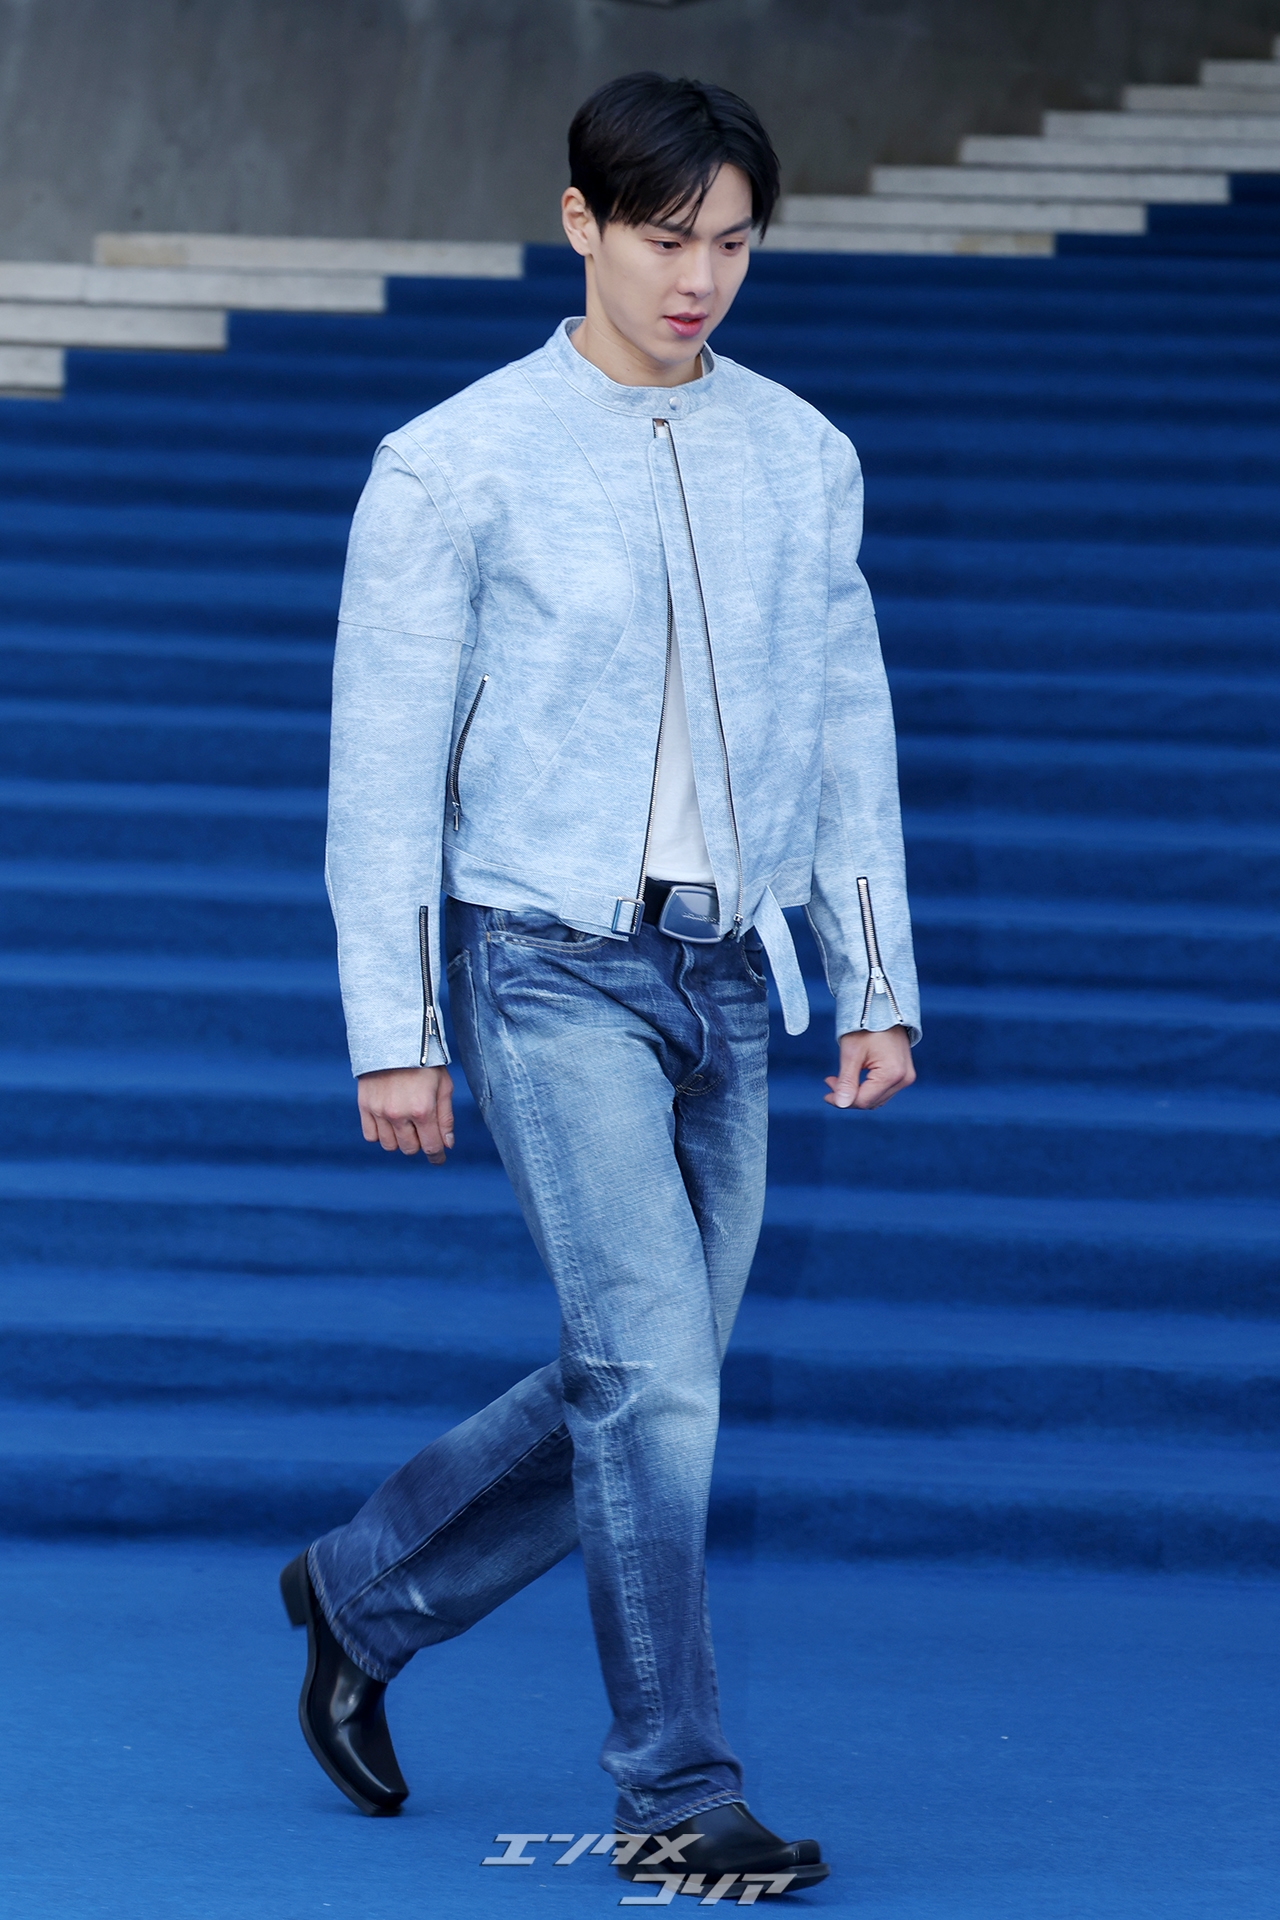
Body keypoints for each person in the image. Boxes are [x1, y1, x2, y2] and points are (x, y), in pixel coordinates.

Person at [280, 70, 919, 1899]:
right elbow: (382, 769)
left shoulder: (801, 454)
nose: (698, 277)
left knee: (651, 1384)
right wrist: (395, 1029)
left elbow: (849, 727)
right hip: (546, 963)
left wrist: (872, 977)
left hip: (731, 977)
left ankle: (363, 1592)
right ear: (580, 224)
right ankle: (676, 1791)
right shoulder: (455, 461)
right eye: (663, 238)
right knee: (657, 1384)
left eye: (733, 244)